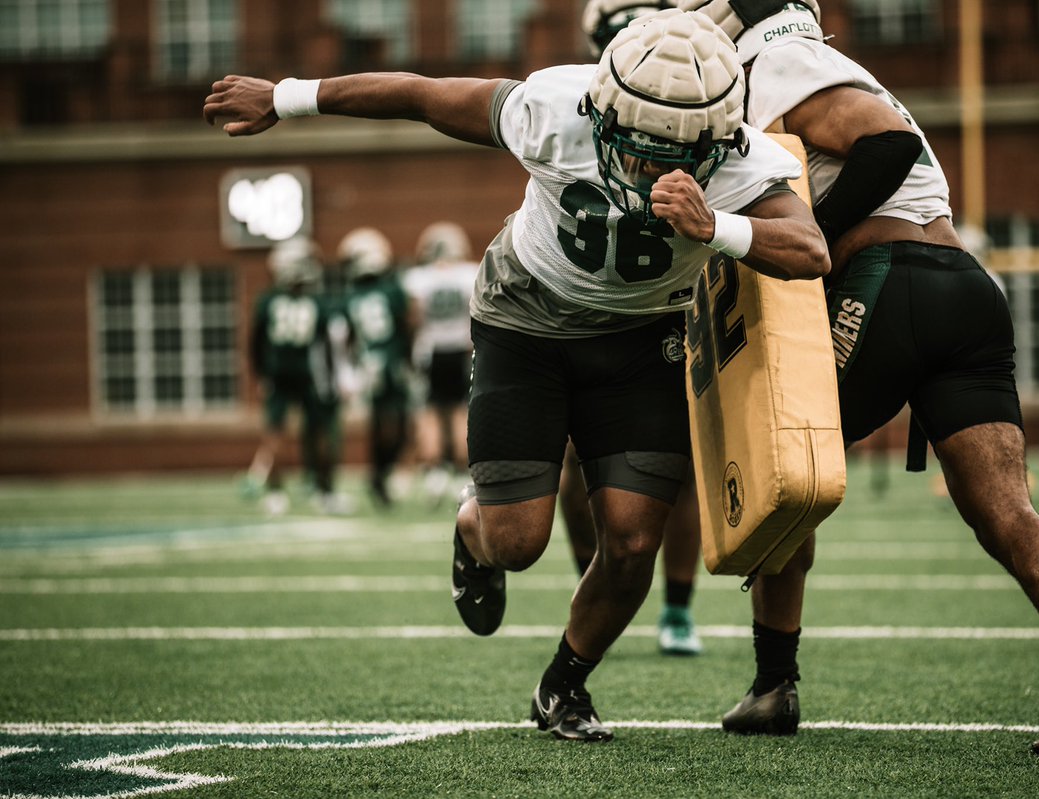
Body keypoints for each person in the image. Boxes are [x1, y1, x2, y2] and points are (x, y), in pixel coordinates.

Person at [204, 8, 829, 742]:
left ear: (715, 142)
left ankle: (565, 684)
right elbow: (420, 93)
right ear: (601, 111)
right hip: (525, 321)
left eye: (671, 156)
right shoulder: (553, 108)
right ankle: (472, 531)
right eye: (634, 147)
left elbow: (810, 250)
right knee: (516, 542)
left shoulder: (740, 158)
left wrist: (717, 226)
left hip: (641, 339)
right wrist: (286, 97)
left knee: (632, 543)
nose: (646, 170)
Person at [682, 0, 1039, 754]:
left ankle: (773, 683)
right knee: (1007, 511)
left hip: (888, 279)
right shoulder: (831, 65)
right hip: (963, 287)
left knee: (780, 473)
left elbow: (886, 144)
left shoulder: (784, 63)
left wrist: (815, 235)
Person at [572, 0, 705, 657]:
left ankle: (676, 606)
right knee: (573, 464)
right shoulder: (573, 103)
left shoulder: (707, 96)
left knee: (682, 466)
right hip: (594, 308)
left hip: (678, 305)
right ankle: (595, 589)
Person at [244, 236, 342, 515]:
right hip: (309, 374)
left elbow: (256, 344)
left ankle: (276, 495)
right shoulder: (316, 303)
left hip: (278, 374)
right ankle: (324, 492)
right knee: (320, 432)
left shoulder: (268, 301)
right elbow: (327, 345)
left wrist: (261, 374)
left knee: (275, 435)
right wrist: (332, 377)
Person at [338, 226, 418, 507]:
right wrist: (409, 359)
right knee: (399, 424)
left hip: (370, 365)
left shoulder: (352, 295)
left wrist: (353, 366)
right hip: (391, 362)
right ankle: (381, 474)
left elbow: (348, 338)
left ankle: (378, 474)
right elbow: (407, 326)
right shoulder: (392, 290)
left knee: (380, 423)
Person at [402, 221, 478, 504]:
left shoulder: (418, 278)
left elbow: (414, 318)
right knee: (461, 411)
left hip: (431, 351)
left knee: (431, 413)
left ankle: (434, 472)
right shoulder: (469, 274)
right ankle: (460, 470)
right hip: (460, 349)